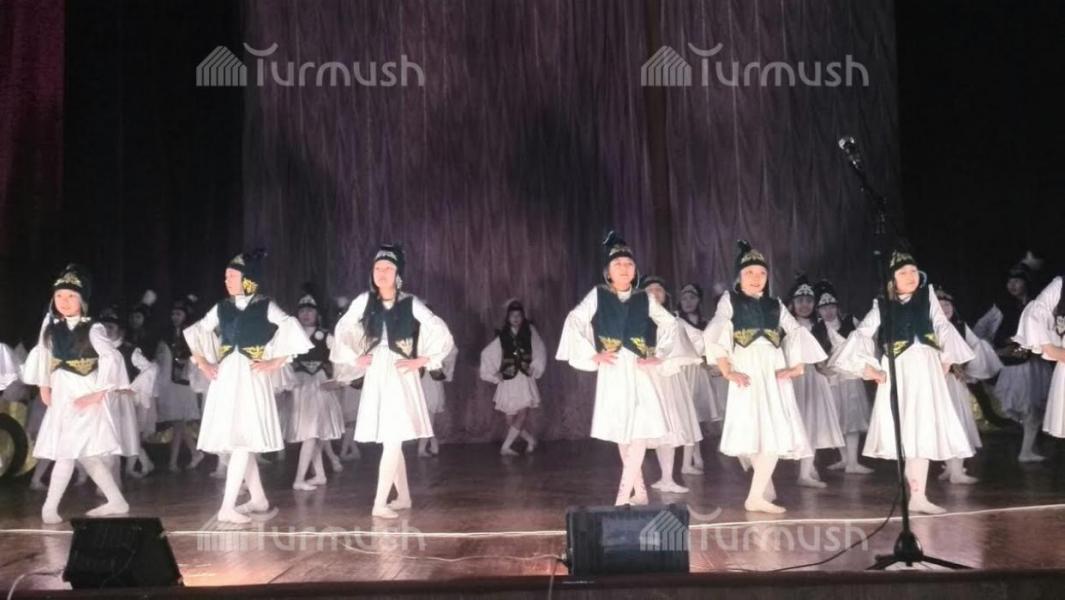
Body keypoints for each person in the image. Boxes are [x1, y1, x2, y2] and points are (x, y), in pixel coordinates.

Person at [556, 232, 698, 506]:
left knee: (640, 429)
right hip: (613, 367)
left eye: (629, 264)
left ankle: (622, 496)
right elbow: (575, 320)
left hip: (639, 367)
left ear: (635, 271)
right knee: (623, 430)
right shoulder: (599, 294)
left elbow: (671, 324)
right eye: (618, 264)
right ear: (608, 272)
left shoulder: (645, 298)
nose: (624, 268)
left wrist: (660, 354)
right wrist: (592, 354)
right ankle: (640, 492)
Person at [832, 249, 975, 514]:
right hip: (899, 369)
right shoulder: (882, 305)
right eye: (903, 273)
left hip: (926, 368)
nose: (910, 276)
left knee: (924, 431)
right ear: (892, 279)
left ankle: (919, 497)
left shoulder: (927, 297)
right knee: (907, 433)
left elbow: (942, 326)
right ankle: (916, 494)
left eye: (913, 271)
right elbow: (863, 333)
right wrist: (868, 368)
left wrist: (947, 357)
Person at [184, 250, 312, 523]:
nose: (227, 281)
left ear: (247, 279)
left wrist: (276, 360)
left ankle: (227, 507)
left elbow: (290, 325)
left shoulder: (265, 305)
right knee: (239, 439)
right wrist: (203, 363)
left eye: (232, 276)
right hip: (228, 375)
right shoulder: (222, 307)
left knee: (243, 439)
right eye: (226, 277)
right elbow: (197, 331)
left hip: (252, 375)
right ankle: (258, 499)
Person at [331, 244, 455, 518]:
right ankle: (404, 497)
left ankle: (379, 503)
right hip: (377, 371)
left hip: (400, 373)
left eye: (388, 268)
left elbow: (440, 330)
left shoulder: (410, 302)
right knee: (391, 437)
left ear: (398, 273)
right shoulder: (365, 300)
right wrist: (354, 358)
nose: (382, 273)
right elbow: (342, 328)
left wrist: (423, 360)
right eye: (378, 268)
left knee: (392, 438)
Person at [703, 241, 822, 513]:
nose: (756, 278)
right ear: (739, 277)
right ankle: (758, 493)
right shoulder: (730, 300)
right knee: (752, 429)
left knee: (774, 427)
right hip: (746, 367)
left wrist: (797, 366)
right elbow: (717, 331)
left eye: (761, 273)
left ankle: (760, 491)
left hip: (772, 368)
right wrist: (726, 370)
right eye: (749, 273)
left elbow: (796, 332)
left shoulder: (775, 304)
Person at [21, 264, 131, 524]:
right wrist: (44, 386)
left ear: (82, 300)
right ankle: (117, 501)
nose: (64, 301)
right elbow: (44, 356)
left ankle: (49, 508)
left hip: (85, 394)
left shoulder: (93, 328)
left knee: (67, 451)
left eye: (71, 296)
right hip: (62, 394)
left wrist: (97, 394)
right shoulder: (51, 328)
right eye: (59, 296)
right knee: (85, 454)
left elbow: (111, 358)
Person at [479, 299, 545, 456]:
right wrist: (495, 373)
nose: (516, 318)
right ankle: (530, 440)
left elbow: (540, 349)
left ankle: (505, 448)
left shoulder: (530, 332)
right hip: (509, 379)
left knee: (522, 413)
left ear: (523, 317)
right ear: (508, 318)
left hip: (524, 379)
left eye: (519, 315)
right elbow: (487, 354)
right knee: (509, 420)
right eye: (512, 315)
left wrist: (534, 366)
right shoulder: (503, 335)